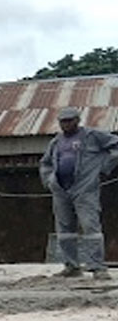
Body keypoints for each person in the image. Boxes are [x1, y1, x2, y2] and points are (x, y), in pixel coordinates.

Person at [39, 106, 118, 279]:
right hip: (61, 190)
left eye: (69, 120)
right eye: (62, 121)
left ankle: (98, 268)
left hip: (85, 189)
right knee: (65, 229)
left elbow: (115, 146)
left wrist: (105, 166)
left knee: (91, 227)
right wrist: (49, 181)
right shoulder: (56, 142)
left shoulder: (92, 136)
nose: (65, 124)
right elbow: (45, 163)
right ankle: (71, 266)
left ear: (78, 120)